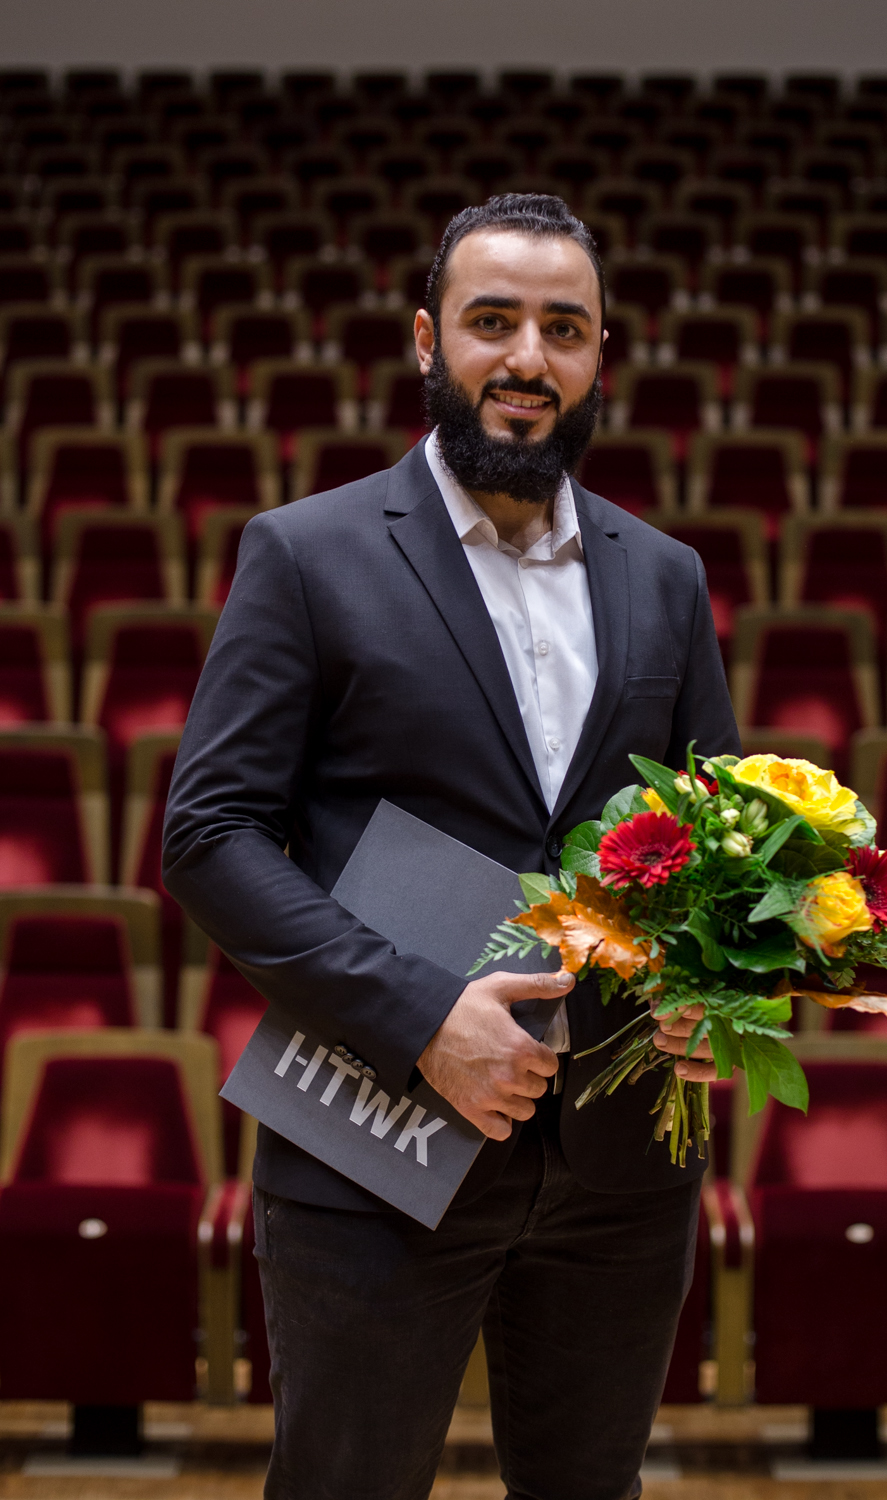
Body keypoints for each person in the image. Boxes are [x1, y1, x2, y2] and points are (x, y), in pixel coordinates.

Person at [163, 194, 739, 1500]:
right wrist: (422, 1014)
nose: (527, 359)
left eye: (563, 328)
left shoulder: (669, 577)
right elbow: (209, 834)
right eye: (494, 322)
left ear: (602, 355)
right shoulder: (305, 554)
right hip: (373, 1140)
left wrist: (718, 986)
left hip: (616, 1169)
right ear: (429, 341)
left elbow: (710, 836)